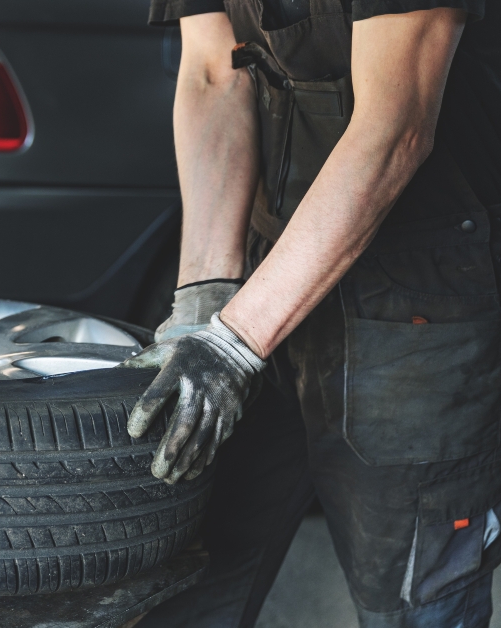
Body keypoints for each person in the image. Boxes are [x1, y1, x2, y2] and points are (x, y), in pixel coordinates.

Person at [124, 0, 501, 625]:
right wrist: (205, 295)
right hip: (265, 272)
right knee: (187, 572)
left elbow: (396, 126)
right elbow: (214, 71)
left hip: (415, 299)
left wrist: (237, 339)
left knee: (414, 604)